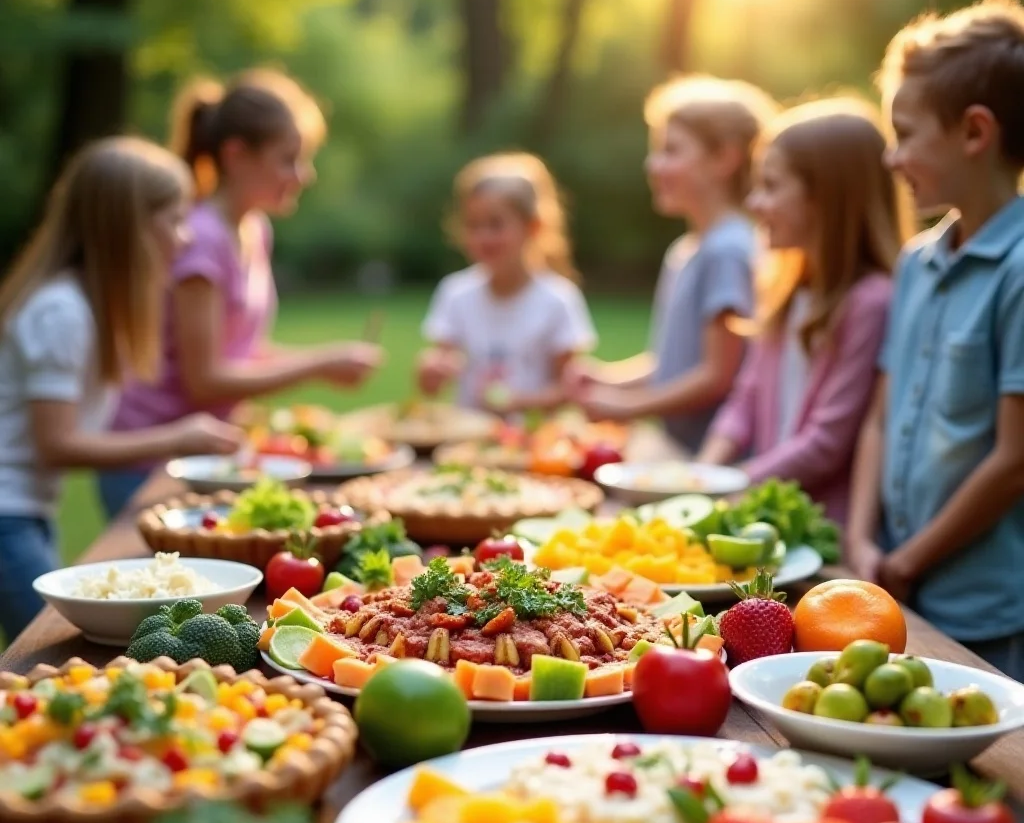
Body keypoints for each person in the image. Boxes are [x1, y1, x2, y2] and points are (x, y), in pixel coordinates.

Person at [98, 69, 382, 517]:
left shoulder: (253, 228)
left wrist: (328, 360)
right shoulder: (202, 239)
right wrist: (320, 363)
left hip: (206, 455)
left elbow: (239, 351)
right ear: (235, 155)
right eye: (288, 159)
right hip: (154, 461)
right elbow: (205, 378)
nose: (303, 175)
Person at [846, 0, 1024, 678]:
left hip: (986, 610)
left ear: (975, 132)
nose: (892, 159)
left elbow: (1013, 461)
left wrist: (909, 559)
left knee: (989, 779)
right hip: (894, 584)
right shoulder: (915, 264)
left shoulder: (1016, 271)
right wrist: (864, 540)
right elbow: (878, 420)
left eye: (907, 133)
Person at [0, 138, 244, 637]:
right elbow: (58, 444)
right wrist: (177, 437)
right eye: (173, 220)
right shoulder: (61, 312)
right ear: (125, 228)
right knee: (55, 653)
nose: (183, 238)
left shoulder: (86, 307)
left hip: (25, 512)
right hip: (8, 516)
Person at [698, 99, 908, 522]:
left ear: (826, 198)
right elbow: (746, 398)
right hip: (764, 512)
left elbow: (826, 442)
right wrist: (701, 473)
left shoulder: (871, 301)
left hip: (819, 528)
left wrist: (733, 484)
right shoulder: (787, 291)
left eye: (771, 186)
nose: (755, 202)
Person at [567, 76, 777, 453]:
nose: (653, 164)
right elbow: (672, 363)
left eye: (671, 151)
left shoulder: (727, 251)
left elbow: (717, 375)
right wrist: (607, 380)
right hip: (680, 449)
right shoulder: (687, 250)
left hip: (710, 461)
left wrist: (627, 407)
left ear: (723, 159)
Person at [416, 152, 596, 413]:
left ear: (532, 227)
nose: (483, 237)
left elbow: (570, 388)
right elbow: (431, 387)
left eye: (496, 224)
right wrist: (429, 371)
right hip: (468, 444)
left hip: (534, 445)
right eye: (473, 225)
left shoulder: (558, 299)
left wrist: (519, 402)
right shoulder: (455, 293)